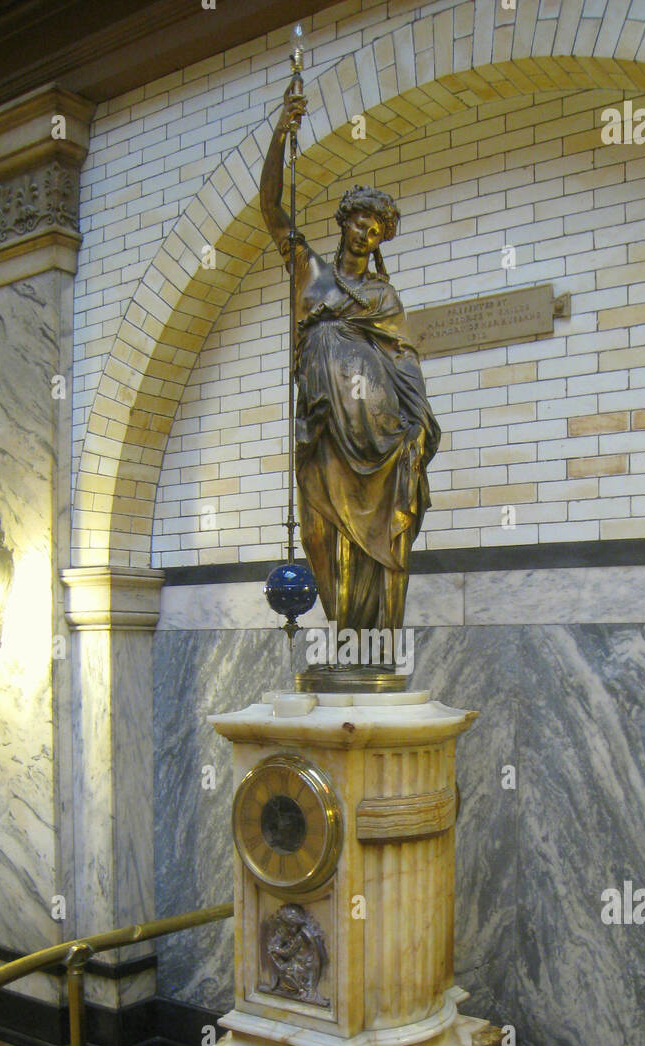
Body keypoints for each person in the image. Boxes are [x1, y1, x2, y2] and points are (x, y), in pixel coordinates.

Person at [259, 83, 440, 636]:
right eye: (363, 220)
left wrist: (417, 428)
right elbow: (271, 207)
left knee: (377, 541)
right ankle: (341, 633)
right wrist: (280, 133)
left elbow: (404, 362)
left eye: (378, 229)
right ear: (344, 219)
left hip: (377, 439)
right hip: (320, 432)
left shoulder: (382, 298)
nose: (368, 232)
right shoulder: (309, 272)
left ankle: (372, 646)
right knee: (320, 537)